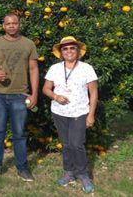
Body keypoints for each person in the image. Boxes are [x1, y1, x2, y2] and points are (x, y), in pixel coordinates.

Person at [0, 13, 39, 181]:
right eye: (8, 23)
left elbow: (34, 70)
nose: (11, 26)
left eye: (14, 23)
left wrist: (34, 94)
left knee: (19, 133)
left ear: (19, 25)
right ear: (3, 26)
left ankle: (22, 168)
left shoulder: (28, 44)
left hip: (20, 95)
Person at [42, 36, 98, 193]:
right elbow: (46, 89)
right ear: (60, 52)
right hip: (59, 112)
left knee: (77, 144)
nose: (69, 51)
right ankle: (69, 171)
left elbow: (93, 93)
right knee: (66, 144)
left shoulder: (87, 68)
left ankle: (83, 174)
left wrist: (91, 114)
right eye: (65, 48)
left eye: (72, 48)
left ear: (78, 51)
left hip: (79, 112)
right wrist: (56, 97)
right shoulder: (54, 68)